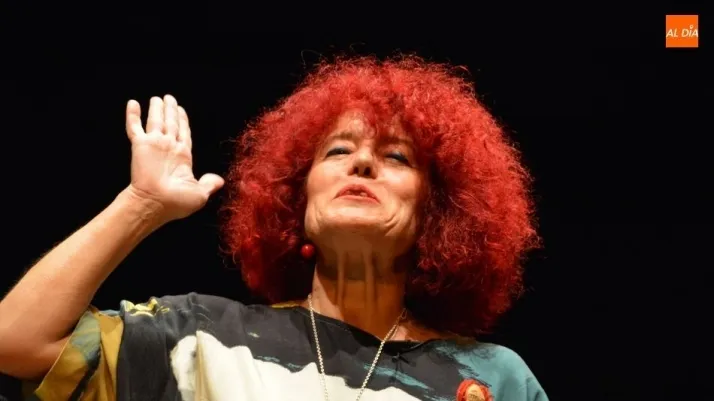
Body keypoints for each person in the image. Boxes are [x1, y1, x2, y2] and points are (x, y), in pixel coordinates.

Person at [0, 55, 547, 401]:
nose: (361, 163)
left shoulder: (492, 379)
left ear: (440, 213)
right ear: (295, 199)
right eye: (338, 150)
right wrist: (141, 204)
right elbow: (16, 342)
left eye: (397, 157)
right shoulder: (203, 338)